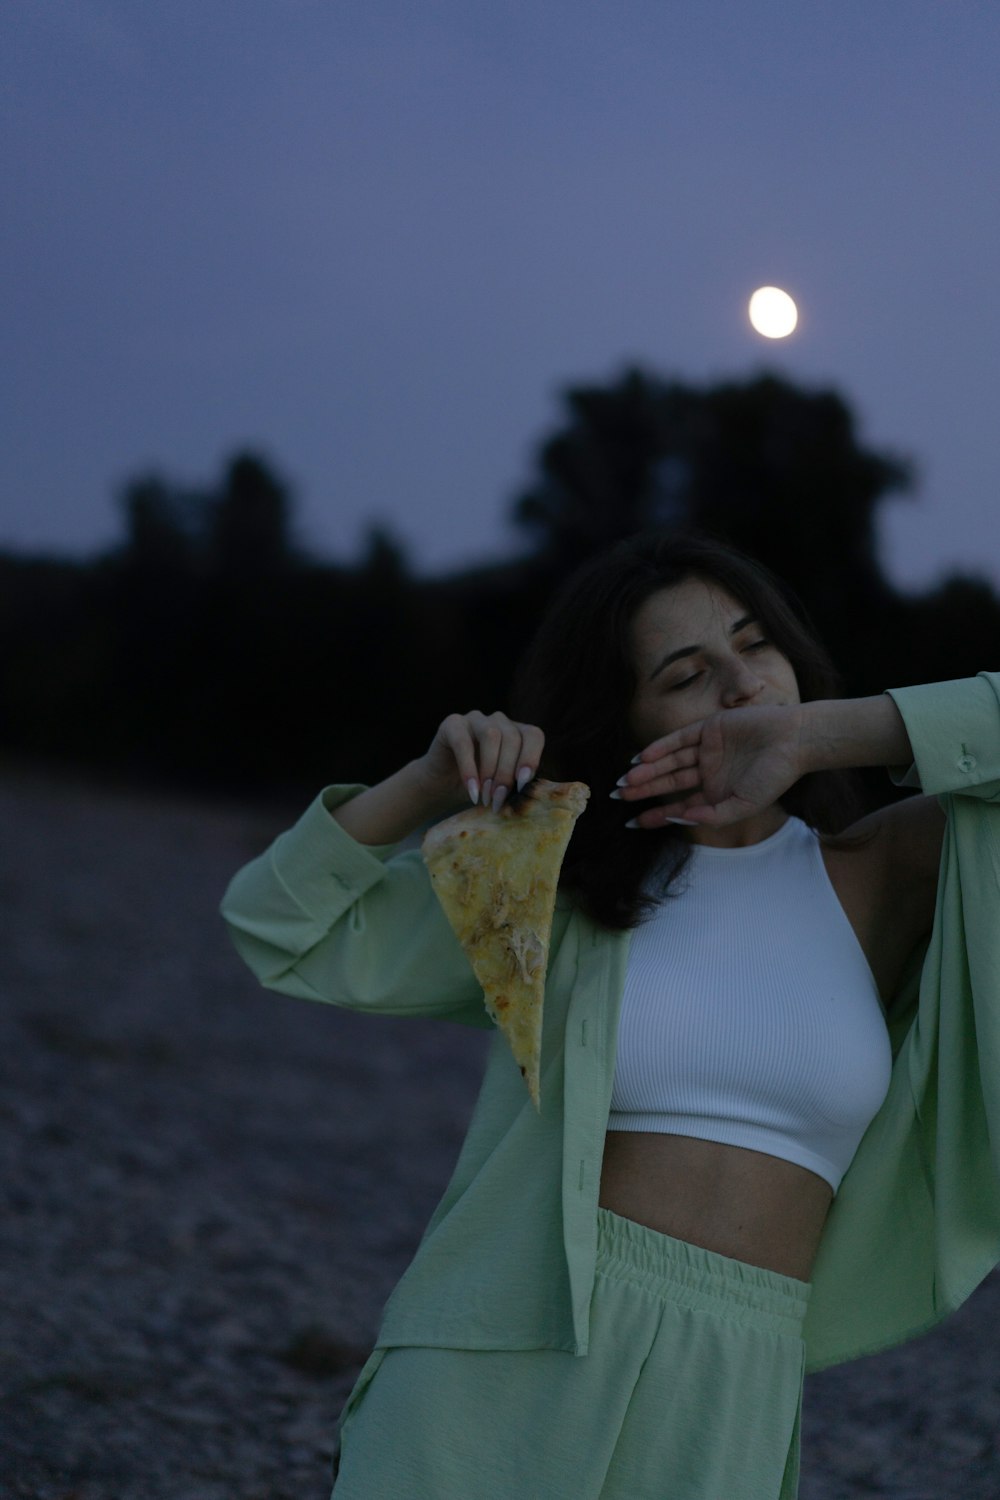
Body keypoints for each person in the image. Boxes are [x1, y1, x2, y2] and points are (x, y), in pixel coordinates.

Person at [220, 532, 1000, 1500]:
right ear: (629, 719)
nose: (739, 683)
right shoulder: (545, 885)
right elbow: (276, 922)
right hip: (508, 1350)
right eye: (685, 673)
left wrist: (821, 734)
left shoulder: (886, 879)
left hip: (740, 1370)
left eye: (756, 645)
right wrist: (427, 781)